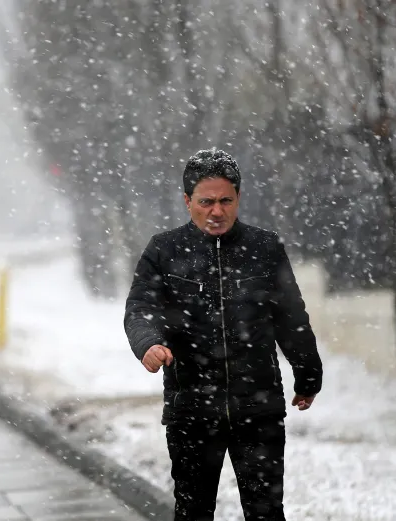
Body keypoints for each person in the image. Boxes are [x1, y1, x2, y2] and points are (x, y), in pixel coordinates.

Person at [124, 148, 323, 521]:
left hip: (258, 408)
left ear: (238, 198)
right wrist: (147, 343)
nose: (216, 211)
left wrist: (308, 374)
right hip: (192, 410)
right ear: (188, 202)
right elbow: (140, 309)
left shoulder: (264, 249)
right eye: (206, 202)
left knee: (266, 512)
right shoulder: (164, 251)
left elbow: (291, 317)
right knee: (193, 511)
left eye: (225, 201)